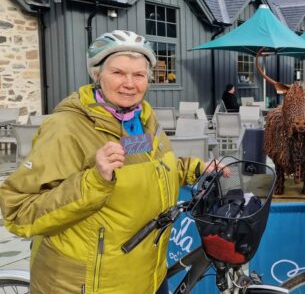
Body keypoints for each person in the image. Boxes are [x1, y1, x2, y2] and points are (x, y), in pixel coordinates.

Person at [0, 30, 228, 294]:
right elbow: (18, 212)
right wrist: (95, 180)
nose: (129, 83)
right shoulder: (65, 128)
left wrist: (195, 168)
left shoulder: (140, 120)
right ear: (97, 75)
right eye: (118, 73)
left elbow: (146, 166)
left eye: (139, 74)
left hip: (149, 277)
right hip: (91, 284)